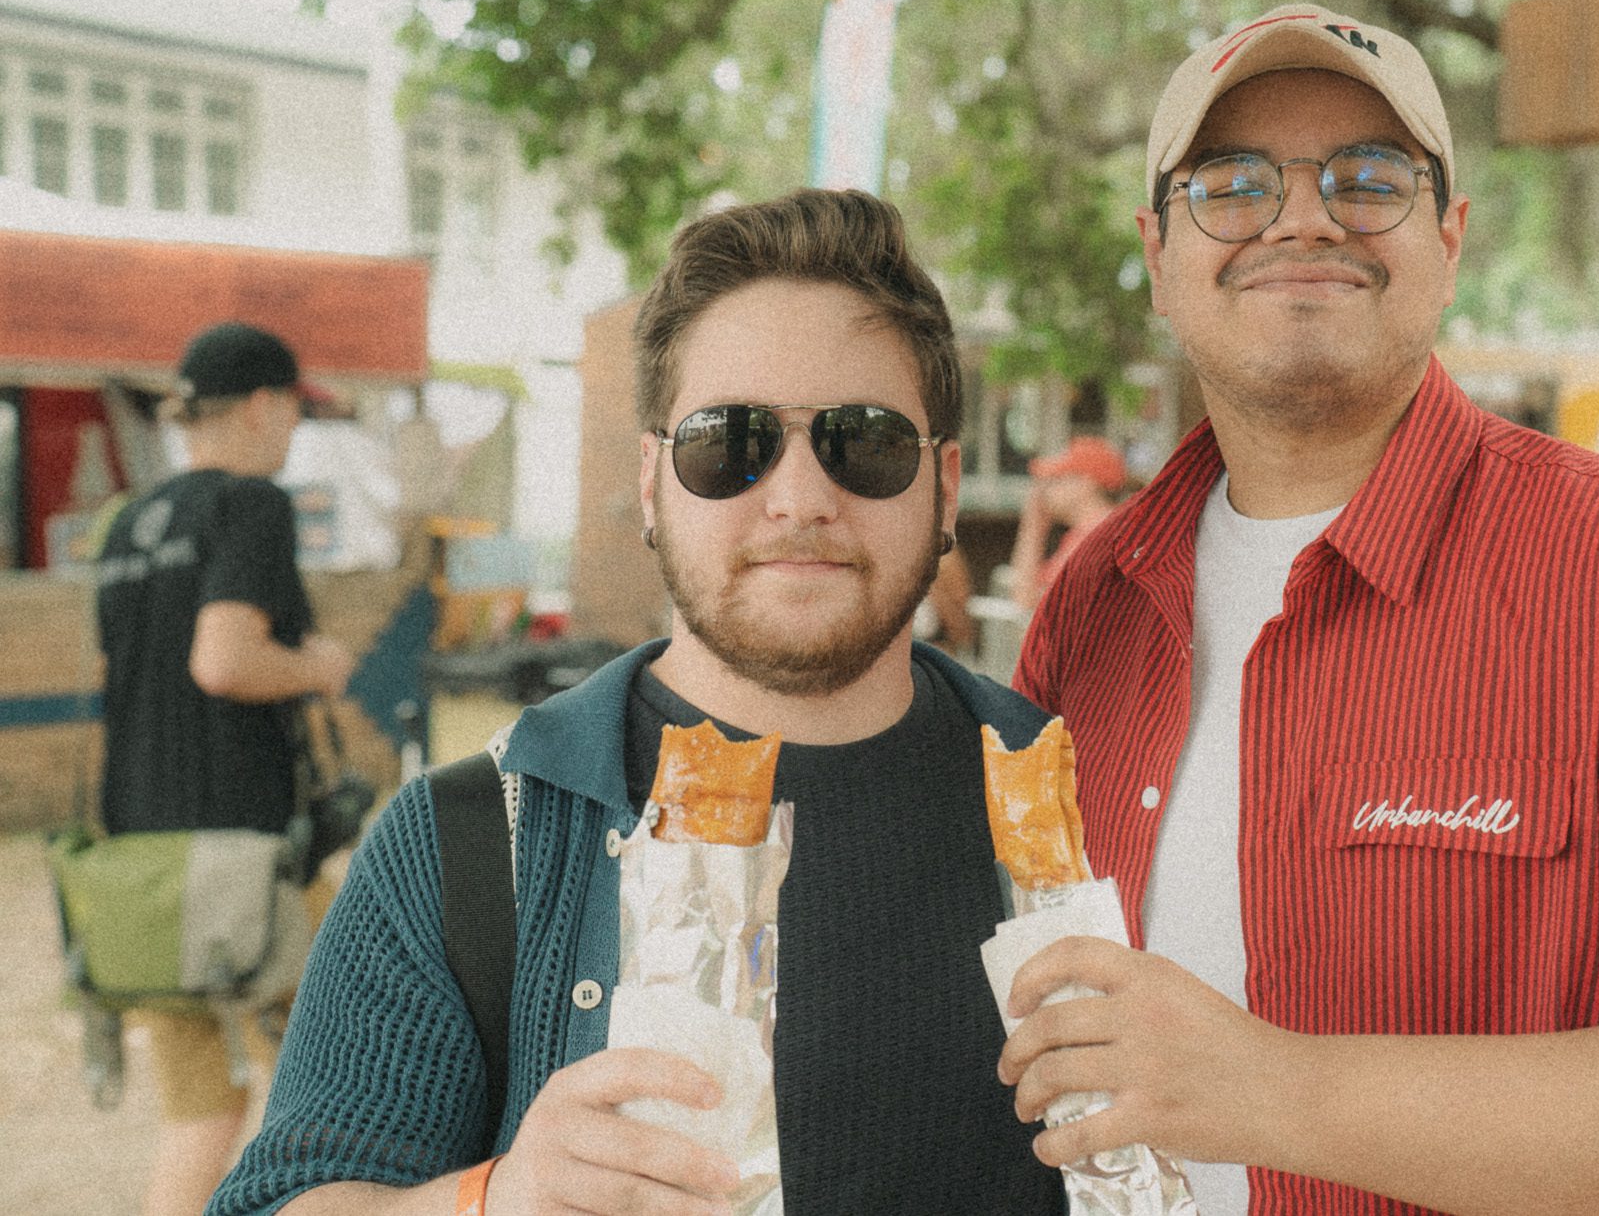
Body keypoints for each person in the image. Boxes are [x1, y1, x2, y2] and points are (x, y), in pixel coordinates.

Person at [1001, 4, 1599, 1216]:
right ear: (1159, 256)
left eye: (1366, 177)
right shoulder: (1091, 608)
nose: (1303, 214)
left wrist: (1270, 1090)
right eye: (1229, 183)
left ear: (1450, 236)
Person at [208, 190, 1066, 1216]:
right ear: (654, 484)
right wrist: (491, 1200)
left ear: (942, 485)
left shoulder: (1079, 805)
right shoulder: (480, 845)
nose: (797, 498)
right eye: (729, 442)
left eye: (864, 441)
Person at [94, 322, 357, 1216]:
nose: (292, 432)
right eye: (292, 411)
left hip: (139, 865)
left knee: (198, 1111)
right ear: (263, 404)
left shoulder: (128, 523)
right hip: (244, 860)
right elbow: (223, 660)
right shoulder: (253, 504)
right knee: (337, 1080)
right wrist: (319, 666)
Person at [1008, 435, 1126, 610]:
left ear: (1085, 482)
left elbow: (1027, 603)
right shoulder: (1107, 526)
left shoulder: (1092, 536)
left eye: (1056, 479)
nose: (1044, 490)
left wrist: (1032, 527)